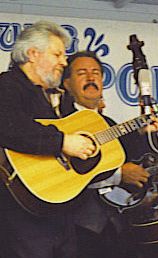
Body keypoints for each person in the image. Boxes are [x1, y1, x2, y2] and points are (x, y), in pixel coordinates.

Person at [61, 50, 158, 258]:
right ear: (67, 83)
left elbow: (137, 169)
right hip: (77, 229)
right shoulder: (60, 124)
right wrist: (118, 174)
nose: (91, 77)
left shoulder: (113, 126)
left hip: (119, 228)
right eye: (82, 73)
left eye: (96, 72)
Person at [0, 21, 99, 258]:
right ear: (33, 54)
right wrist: (62, 142)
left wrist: (139, 131)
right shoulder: (7, 85)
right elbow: (9, 127)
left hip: (59, 209)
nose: (64, 62)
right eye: (57, 54)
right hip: (20, 211)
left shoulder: (62, 99)